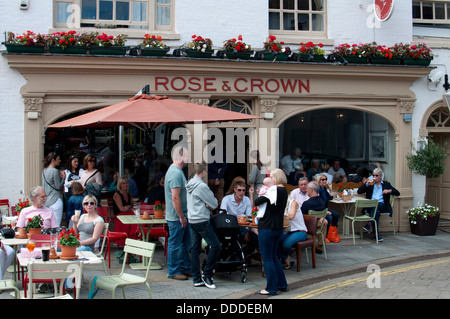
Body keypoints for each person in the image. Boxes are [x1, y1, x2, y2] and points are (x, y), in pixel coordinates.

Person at [252, 168, 288, 296]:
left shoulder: (273, 190)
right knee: (273, 256)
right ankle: (282, 284)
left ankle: (271, 288)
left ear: (276, 178)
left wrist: (257, 193)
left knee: (267, 258)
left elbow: (256, 202)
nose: (269, 178)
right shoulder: (283, 191)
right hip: (278, 228)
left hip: (267, 227)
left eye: (271, 176)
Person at [186, 162, 220, 289]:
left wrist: (207, 203)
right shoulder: (201, 186)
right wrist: (209, 204)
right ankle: (207, 274)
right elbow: (214, 203)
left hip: (192, 219)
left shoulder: (189, 184)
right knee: (216, 245)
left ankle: (196, 278)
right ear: (204, 172)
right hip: (201, 219)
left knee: (195, 249)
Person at [165, 145, 191, 281]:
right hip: (176, 217)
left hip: (181, 215)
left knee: (185, 244)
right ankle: (174, 271)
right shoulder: (175, 173)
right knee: (175, 244)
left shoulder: (177, 171)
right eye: (186, 154)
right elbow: (175, 198)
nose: (188, 157)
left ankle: (185, 268)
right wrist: (181, 216)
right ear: (180, 156)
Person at [357, 167, 400, 242]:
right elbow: (359, 192)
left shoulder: (386, 184)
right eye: (373, 175)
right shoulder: (370, 184)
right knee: (376, 212)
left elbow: (397, 193)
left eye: (376, 176)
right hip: (371, 206)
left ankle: (370, 223)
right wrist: (366, 184)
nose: (374, 177)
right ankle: (375, 235)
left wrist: (389, 191)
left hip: (382, 205)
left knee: (377, 205)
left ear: (380, 176)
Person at [279, 195, 307, 269]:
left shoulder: (293, 202)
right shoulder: (280, 205)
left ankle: (285, 258)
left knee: (286, 244)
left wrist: (277, 214)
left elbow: (291, 216)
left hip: (300, 231)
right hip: (289, 231)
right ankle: (285, 257)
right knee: (273, 241)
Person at [300, 181, 327, 254]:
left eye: (307, 189)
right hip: (318, 226)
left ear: (311, 190)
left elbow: (301, 216)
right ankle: (320, 245)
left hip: (307, 227)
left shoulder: (307, 204)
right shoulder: (322, 202)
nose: (306, 190)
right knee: (324, 221)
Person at [42, 152, 65, 226]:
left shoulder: (44, 171)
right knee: (56, 224)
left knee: (47, 224)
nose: (60, 160)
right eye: (58, 159)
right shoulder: (55, 171)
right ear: (53, 160)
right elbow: (58, 187)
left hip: (47, 200)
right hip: (55, 198)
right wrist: (63, 178)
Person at [316, 174, 341, 243]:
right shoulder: (318, 189)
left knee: (336, 215)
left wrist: (330, 188)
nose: (325, 181)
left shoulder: (324, 188)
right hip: (320, 210)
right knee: (329, 218)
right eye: (323, 179)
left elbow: (330, 197)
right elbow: (318, 202)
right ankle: (325, 236)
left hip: (325, 209)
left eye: (326, 179)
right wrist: (324, 211)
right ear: (319, 180)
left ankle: (333, 234)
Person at [112, 176, 136, 245]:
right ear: (120, 185)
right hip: (119, 215)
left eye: (126, 183)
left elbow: (132, 206)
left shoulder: (129, 194)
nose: (125, 185)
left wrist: (128, 207)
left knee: (134, 215)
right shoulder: (117, 194)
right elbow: (121, 209)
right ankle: (130, 237)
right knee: (132, 216)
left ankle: (133, 237)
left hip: (127, 213)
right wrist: (128, 208)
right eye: (123, 183)